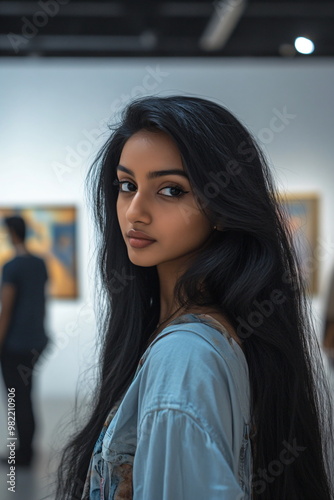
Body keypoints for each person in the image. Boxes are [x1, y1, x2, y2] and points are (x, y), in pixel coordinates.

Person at [55, 96, 333, 499]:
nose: (135, 211)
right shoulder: (205, 334)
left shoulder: (183, 359)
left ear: (221, 208)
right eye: (127, 185)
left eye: (171, 190)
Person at [0, 215, 49, 466]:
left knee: (15, 398)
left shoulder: (11, 267)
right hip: (37, 341)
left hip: (15, 344)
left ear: (11, 233)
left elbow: (6, 310)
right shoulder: (40, 264)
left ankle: (22, 454)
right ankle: (26, 449)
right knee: (26, 395)